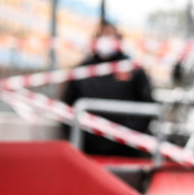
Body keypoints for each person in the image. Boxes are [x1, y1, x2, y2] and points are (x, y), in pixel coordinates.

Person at [61, 19, 156, 157]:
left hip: (126, 150)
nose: (106, 40)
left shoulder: (133, 69)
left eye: (110, 36)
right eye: (102, 35)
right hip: (88, 149)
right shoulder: (82, 70)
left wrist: (128, 134)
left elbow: (147, 105)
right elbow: (67, 107)